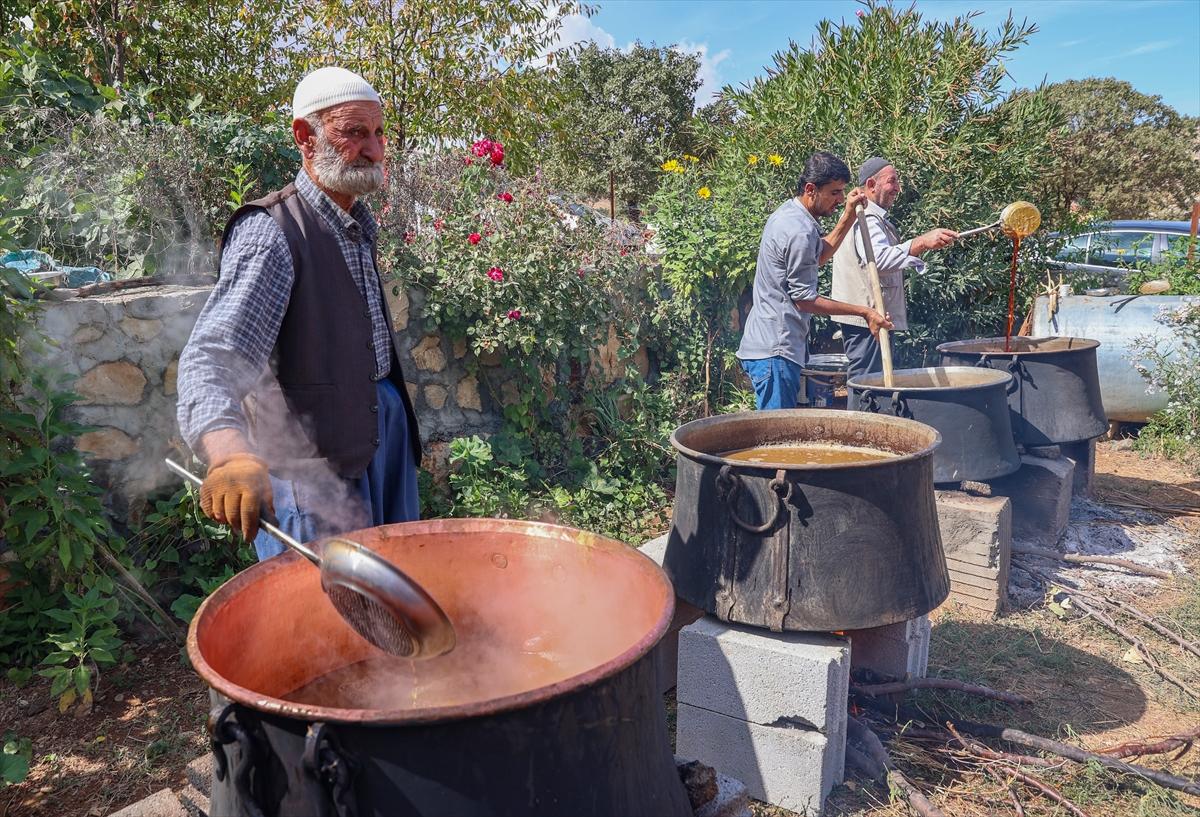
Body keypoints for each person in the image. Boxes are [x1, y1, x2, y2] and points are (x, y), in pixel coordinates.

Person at [176, 66, 421, 560]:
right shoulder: (272, 234)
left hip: (379, 443)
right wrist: (229, 453)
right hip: (310, 472)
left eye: (377, 133)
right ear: (305, 137)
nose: (374, 150)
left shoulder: (355, 222)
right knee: (320, 612)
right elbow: (212, 359)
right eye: (354, 133)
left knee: (392, 590)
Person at [736, 151, 894, 410]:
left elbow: (818, 256)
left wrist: (848, 216)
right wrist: (865, 312)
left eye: (842, 192)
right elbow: (804, 300)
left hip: (771, 349)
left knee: (778, 437)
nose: (840, 198)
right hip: (775, 350)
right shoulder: (798, 231)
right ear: (811, 189)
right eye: (834, 193)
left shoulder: (791, 215)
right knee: (776, 440)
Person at [832, 157, 957, 381]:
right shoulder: (866, 217)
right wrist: (921, 242)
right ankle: (860, 418)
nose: (898, 188)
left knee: (873, 380)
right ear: (871, 185)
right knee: (867, 382)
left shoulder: (871, 217)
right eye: (892, 181)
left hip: (873, 318)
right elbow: (877, 259)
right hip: (867, 320)